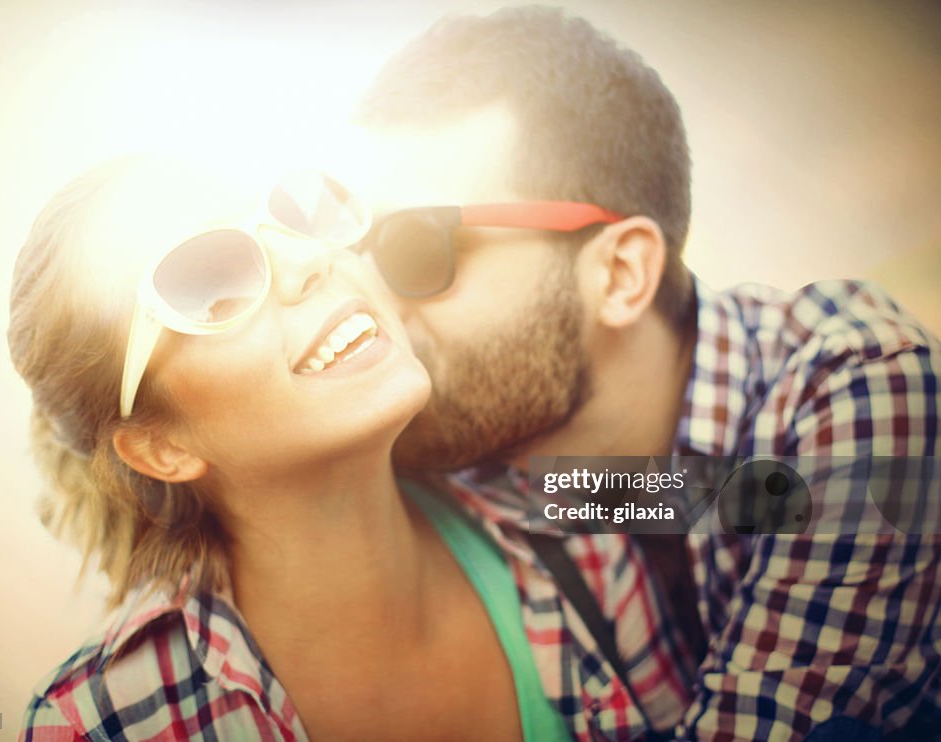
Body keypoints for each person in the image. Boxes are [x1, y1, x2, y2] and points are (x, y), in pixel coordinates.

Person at [353, 6, 941, 741]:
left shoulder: (851, 384)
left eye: (415, 249)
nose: (371, 297)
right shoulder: (501, 463)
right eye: (358, 250)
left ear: (622, 273)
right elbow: (656, 496)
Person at [12, 157, 588, 740]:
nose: (310, 260)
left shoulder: (568, 495)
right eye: (213, 282)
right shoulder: (92, 724)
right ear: (160, 448)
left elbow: (684, 493)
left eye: (291, 216)